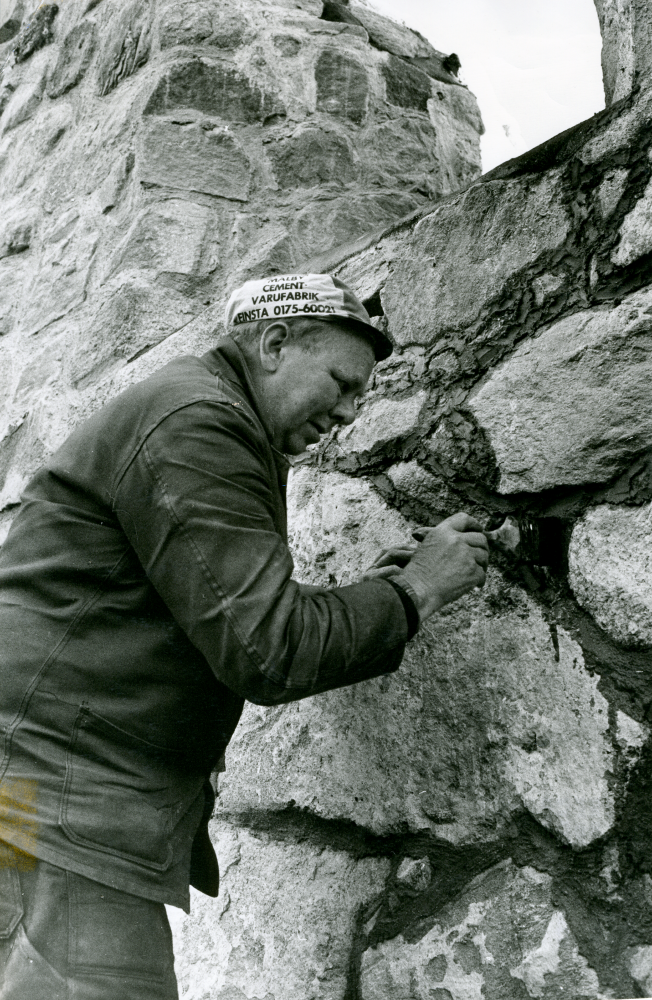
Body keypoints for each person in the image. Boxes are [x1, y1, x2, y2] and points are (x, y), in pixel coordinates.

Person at [0, 273, 489, 998]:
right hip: (69, 809)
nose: (352, 412)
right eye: (341, 382)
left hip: (36, 796)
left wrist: (378, 594)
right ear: (273, 342)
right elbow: (268, 649)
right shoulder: (200, 424)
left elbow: (227, 614)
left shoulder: (199, 412)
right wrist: (416, 591)